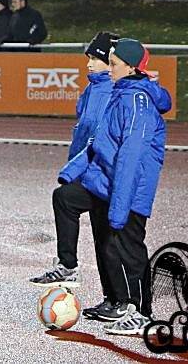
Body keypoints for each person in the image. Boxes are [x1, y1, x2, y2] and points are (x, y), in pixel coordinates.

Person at [61, 38, 172, 336]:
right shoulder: (122, 93)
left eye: (113, 63)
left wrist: (120, 206)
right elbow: (100, 143)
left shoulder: (137, 101)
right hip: (114, 185)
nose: (108, 68)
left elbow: (131, 157)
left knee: (130, 248)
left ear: (131, 66)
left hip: (132, 189)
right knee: (107, 237)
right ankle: (121, 304)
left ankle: (142, 313)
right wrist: (71, 172)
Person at [29, 32, 119, 304]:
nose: (89, 64)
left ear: (110, 62)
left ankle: (76, 272)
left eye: (95, 59)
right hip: (88, 171)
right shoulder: (92, 89)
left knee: (105, 237)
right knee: (100, 235)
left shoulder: (112, 91)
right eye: (88, 58)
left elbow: (100, 140)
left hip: (101, 173)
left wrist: (79, 171)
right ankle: (110, 298)